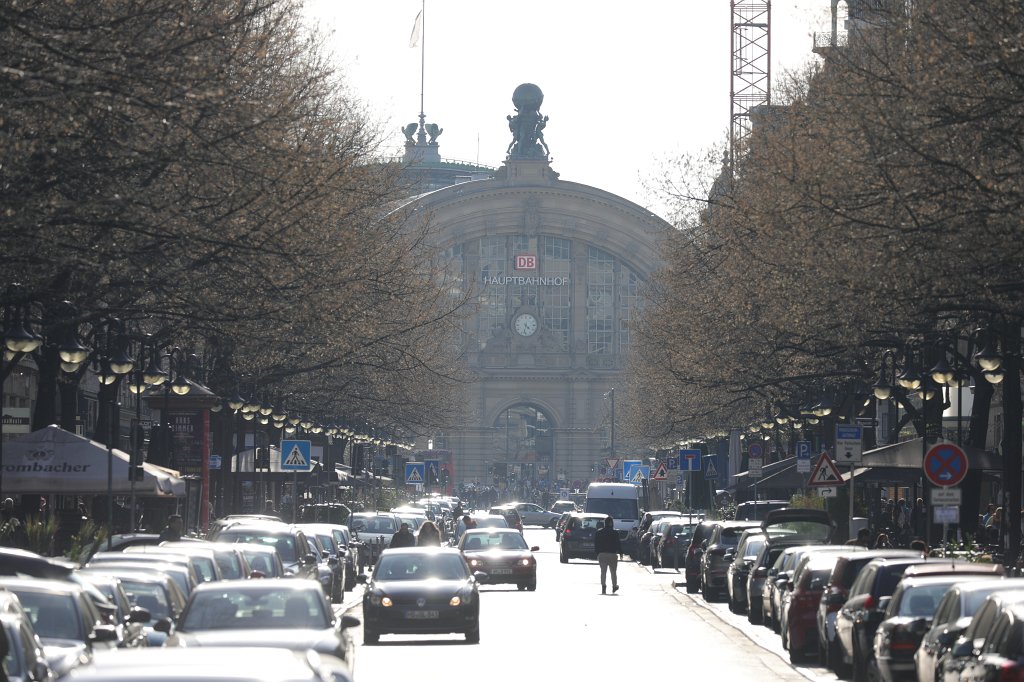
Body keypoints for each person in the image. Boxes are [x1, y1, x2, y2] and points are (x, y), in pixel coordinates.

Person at [595, 516, 622, 595]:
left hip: (602, 554)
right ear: (611, 523)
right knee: (613, 572)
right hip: (612, 554)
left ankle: (603, 586)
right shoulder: (615, 532)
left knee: (603, 571)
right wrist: (620, 552)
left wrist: (597, 553)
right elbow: (618, 543)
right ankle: (614, 586)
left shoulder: (598, 532)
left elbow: (596, 544)